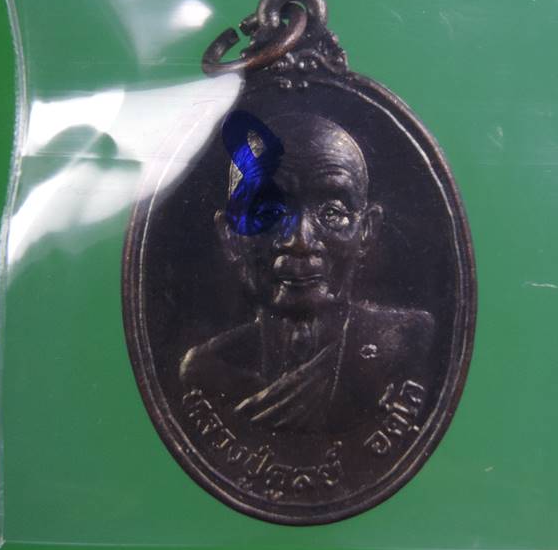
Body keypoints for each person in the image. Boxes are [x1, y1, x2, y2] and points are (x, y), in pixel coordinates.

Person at [179, 112, 434, 433]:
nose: (299, 241)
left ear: (367, 231)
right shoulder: (209, 370)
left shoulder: (403, 345)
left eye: (332, 213)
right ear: (230, 236)